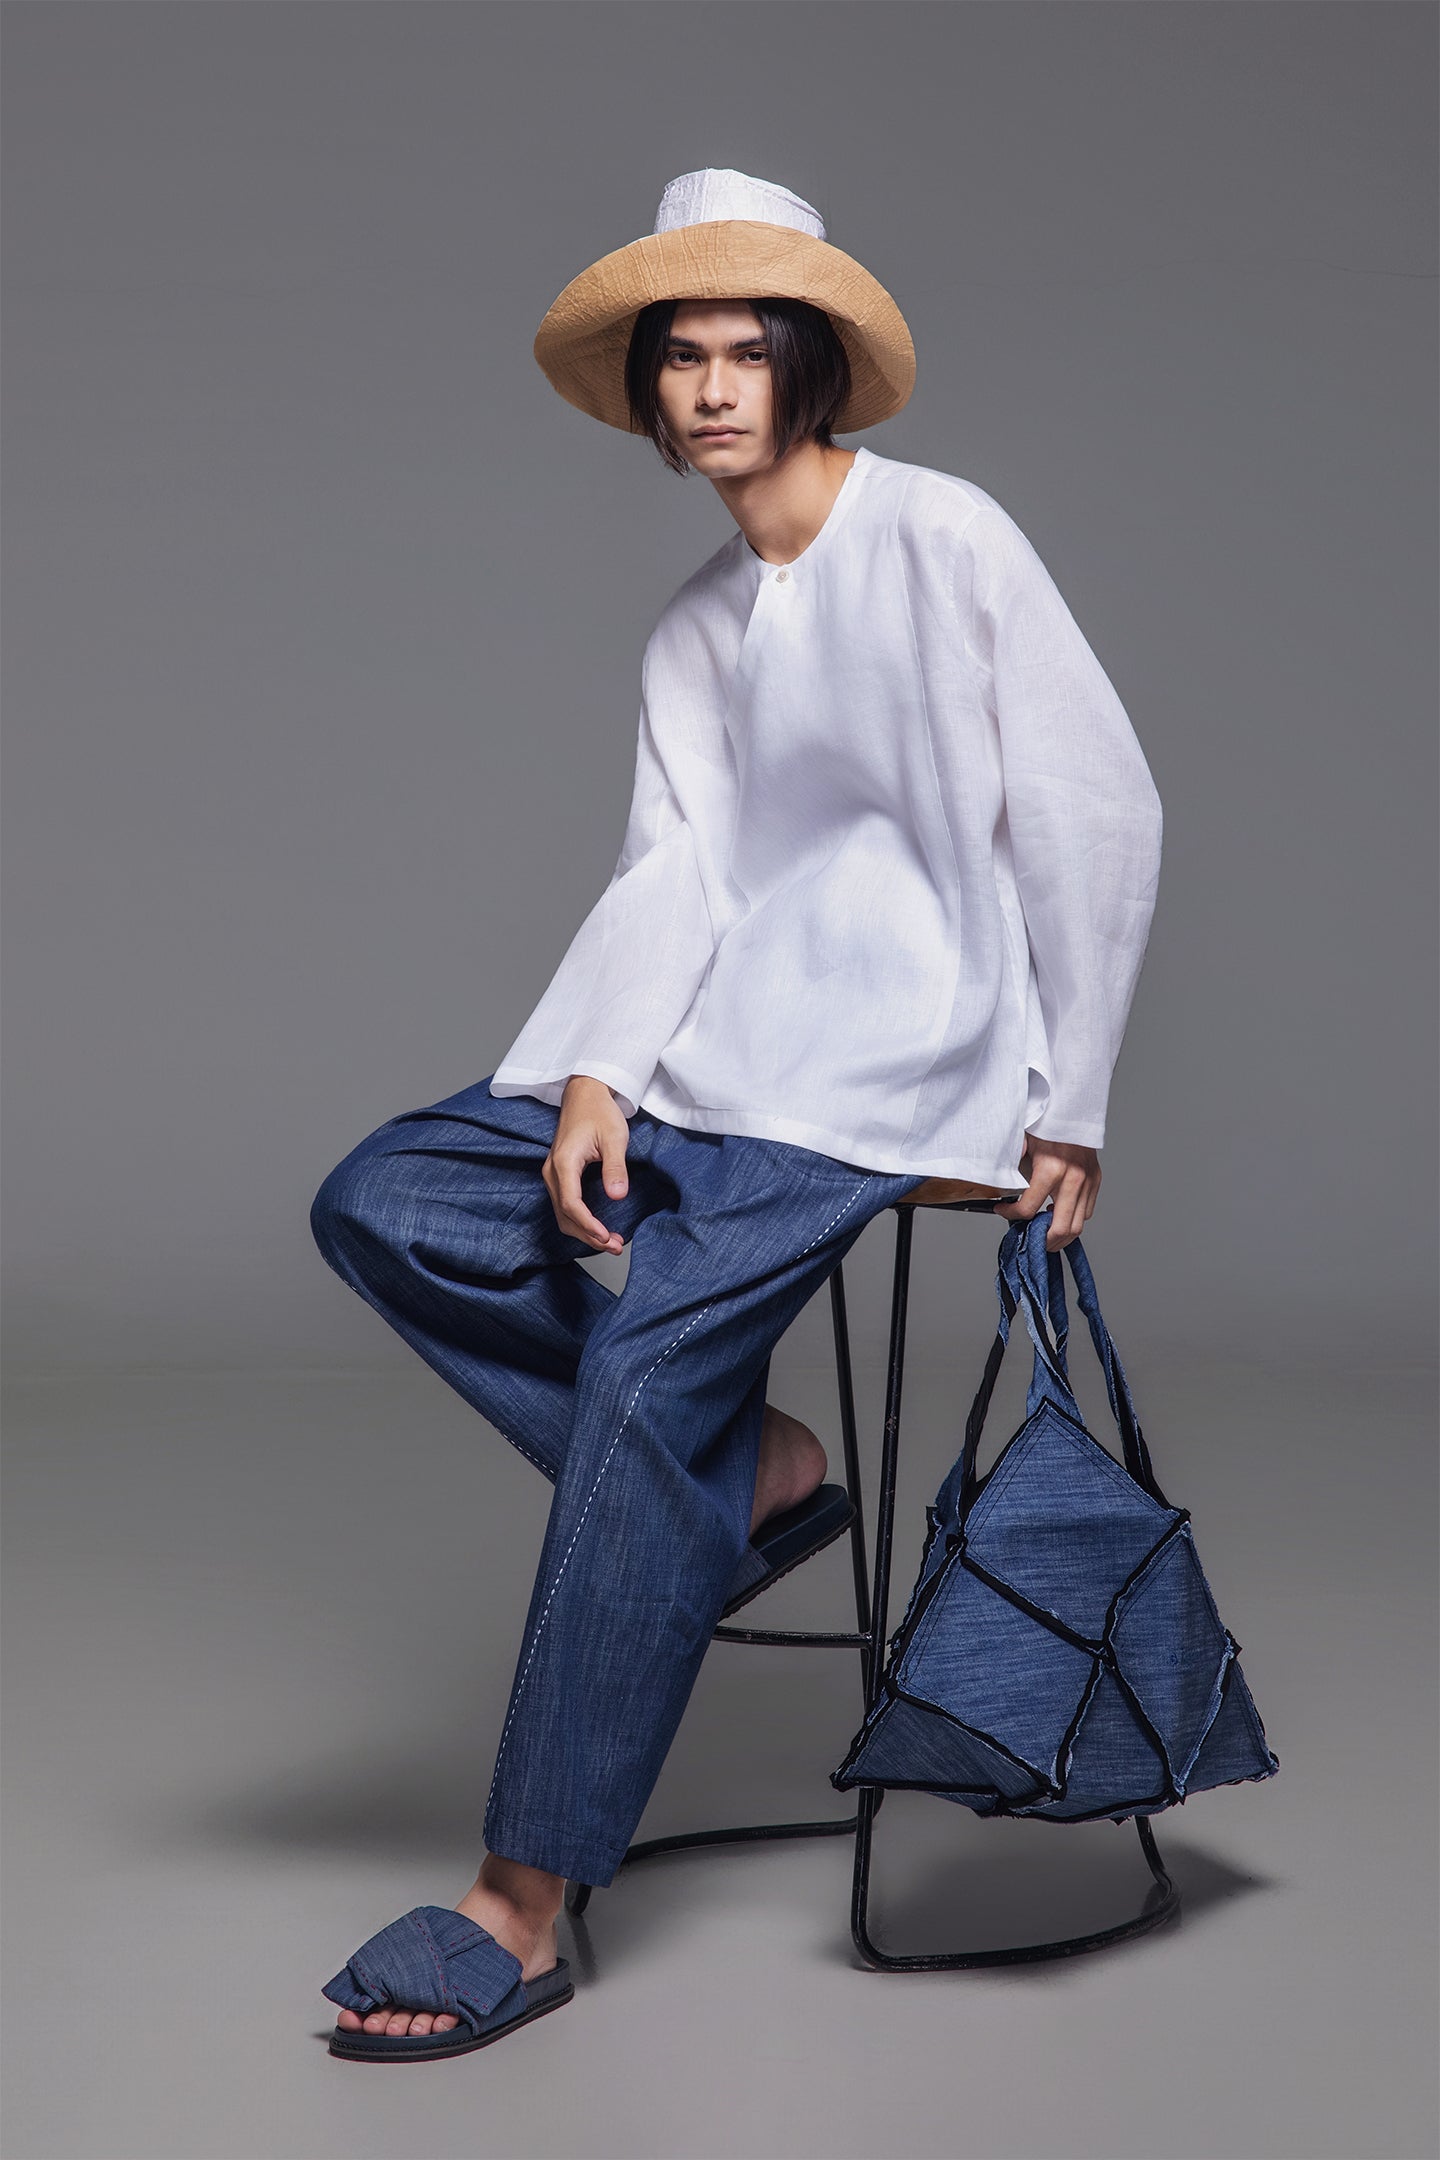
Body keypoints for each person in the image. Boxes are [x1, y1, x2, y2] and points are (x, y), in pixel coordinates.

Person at [310, 168, 1163, 2061]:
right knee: (387, 1199)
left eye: (743, 353)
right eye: (678, 357)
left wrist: (1074, 1098)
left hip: (890, 1067)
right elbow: (676, 871)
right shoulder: (696, 625)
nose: (708, 388)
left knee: (640, 1385)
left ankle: (520, 1899)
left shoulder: (946, 538)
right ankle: (746, 1477)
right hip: (713, 1056)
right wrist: (599, 1069)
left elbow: (1095, 803)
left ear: (806, 369)